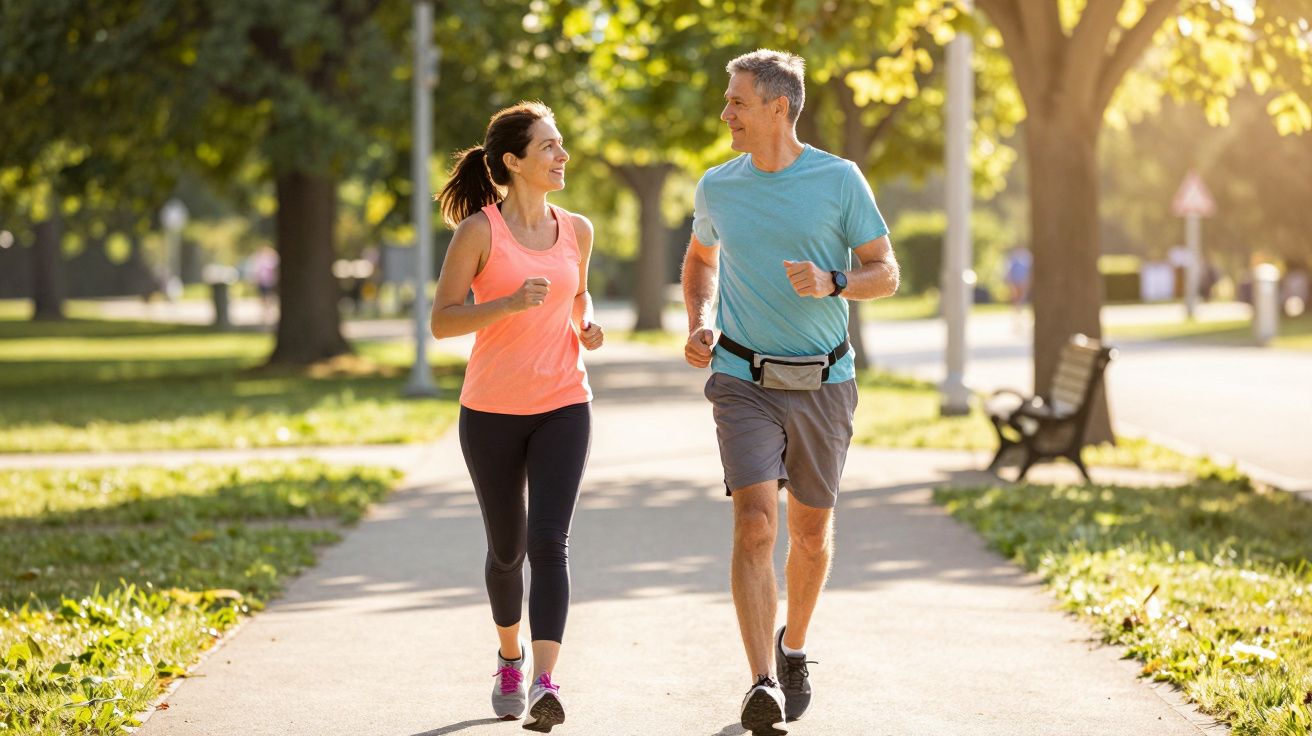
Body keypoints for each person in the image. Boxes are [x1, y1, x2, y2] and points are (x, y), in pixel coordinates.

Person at [681, 50, 899, 735]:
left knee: (807, 533)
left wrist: (835, 282)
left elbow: (885, 272)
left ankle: (794, 647)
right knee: (754, 525)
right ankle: (761, 684)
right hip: (743, 379)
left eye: (738, 102)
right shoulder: (719, 186)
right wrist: (701, 320)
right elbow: (699, 259)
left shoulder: (838, 181)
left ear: (779, 107)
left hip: (825, 382)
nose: (726, 115)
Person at [431, 101, 604, 733]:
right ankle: (510, 657)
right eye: (549, 147)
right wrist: (504, 303)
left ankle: (545, 682)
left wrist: (585, 326)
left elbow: (578, 295)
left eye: (561, 144)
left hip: (564, 403)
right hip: (491, 411)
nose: (562, 157)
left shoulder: (577, 229)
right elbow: (442, 320)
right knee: (507, 552)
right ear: (514, 161)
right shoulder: (479, 232)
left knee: (547, 542)